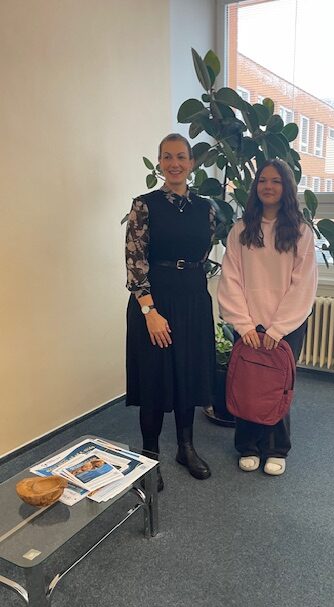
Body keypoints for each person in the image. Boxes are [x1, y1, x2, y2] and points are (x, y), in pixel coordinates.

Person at [125, 133, 216, 490]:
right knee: (154, 377)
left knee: (187, 374)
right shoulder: (144, 205)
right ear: (160, 163)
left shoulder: (206, 208)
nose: (174, 163)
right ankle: (149, 457)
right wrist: (149, 311)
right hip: (155, 303)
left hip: (193, 300)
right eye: (167, 157)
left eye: (181, 156)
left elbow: (203, 254)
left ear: (191, 163)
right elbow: (135, 262)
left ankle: (185, 447)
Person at [217, 159, 318, 476]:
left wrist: (278, 329)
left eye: (275, 181)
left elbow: (303, 284)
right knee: (248, 385)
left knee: (277, 387)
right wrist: (243, 324)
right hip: (248, 324)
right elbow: (231, 278)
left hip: (286, 327)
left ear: (286, 187)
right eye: (262, 180)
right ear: (255, 187)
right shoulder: (241, 230)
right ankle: (248, 446)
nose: (268, 186)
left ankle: (276, 448)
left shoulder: (301, 232)